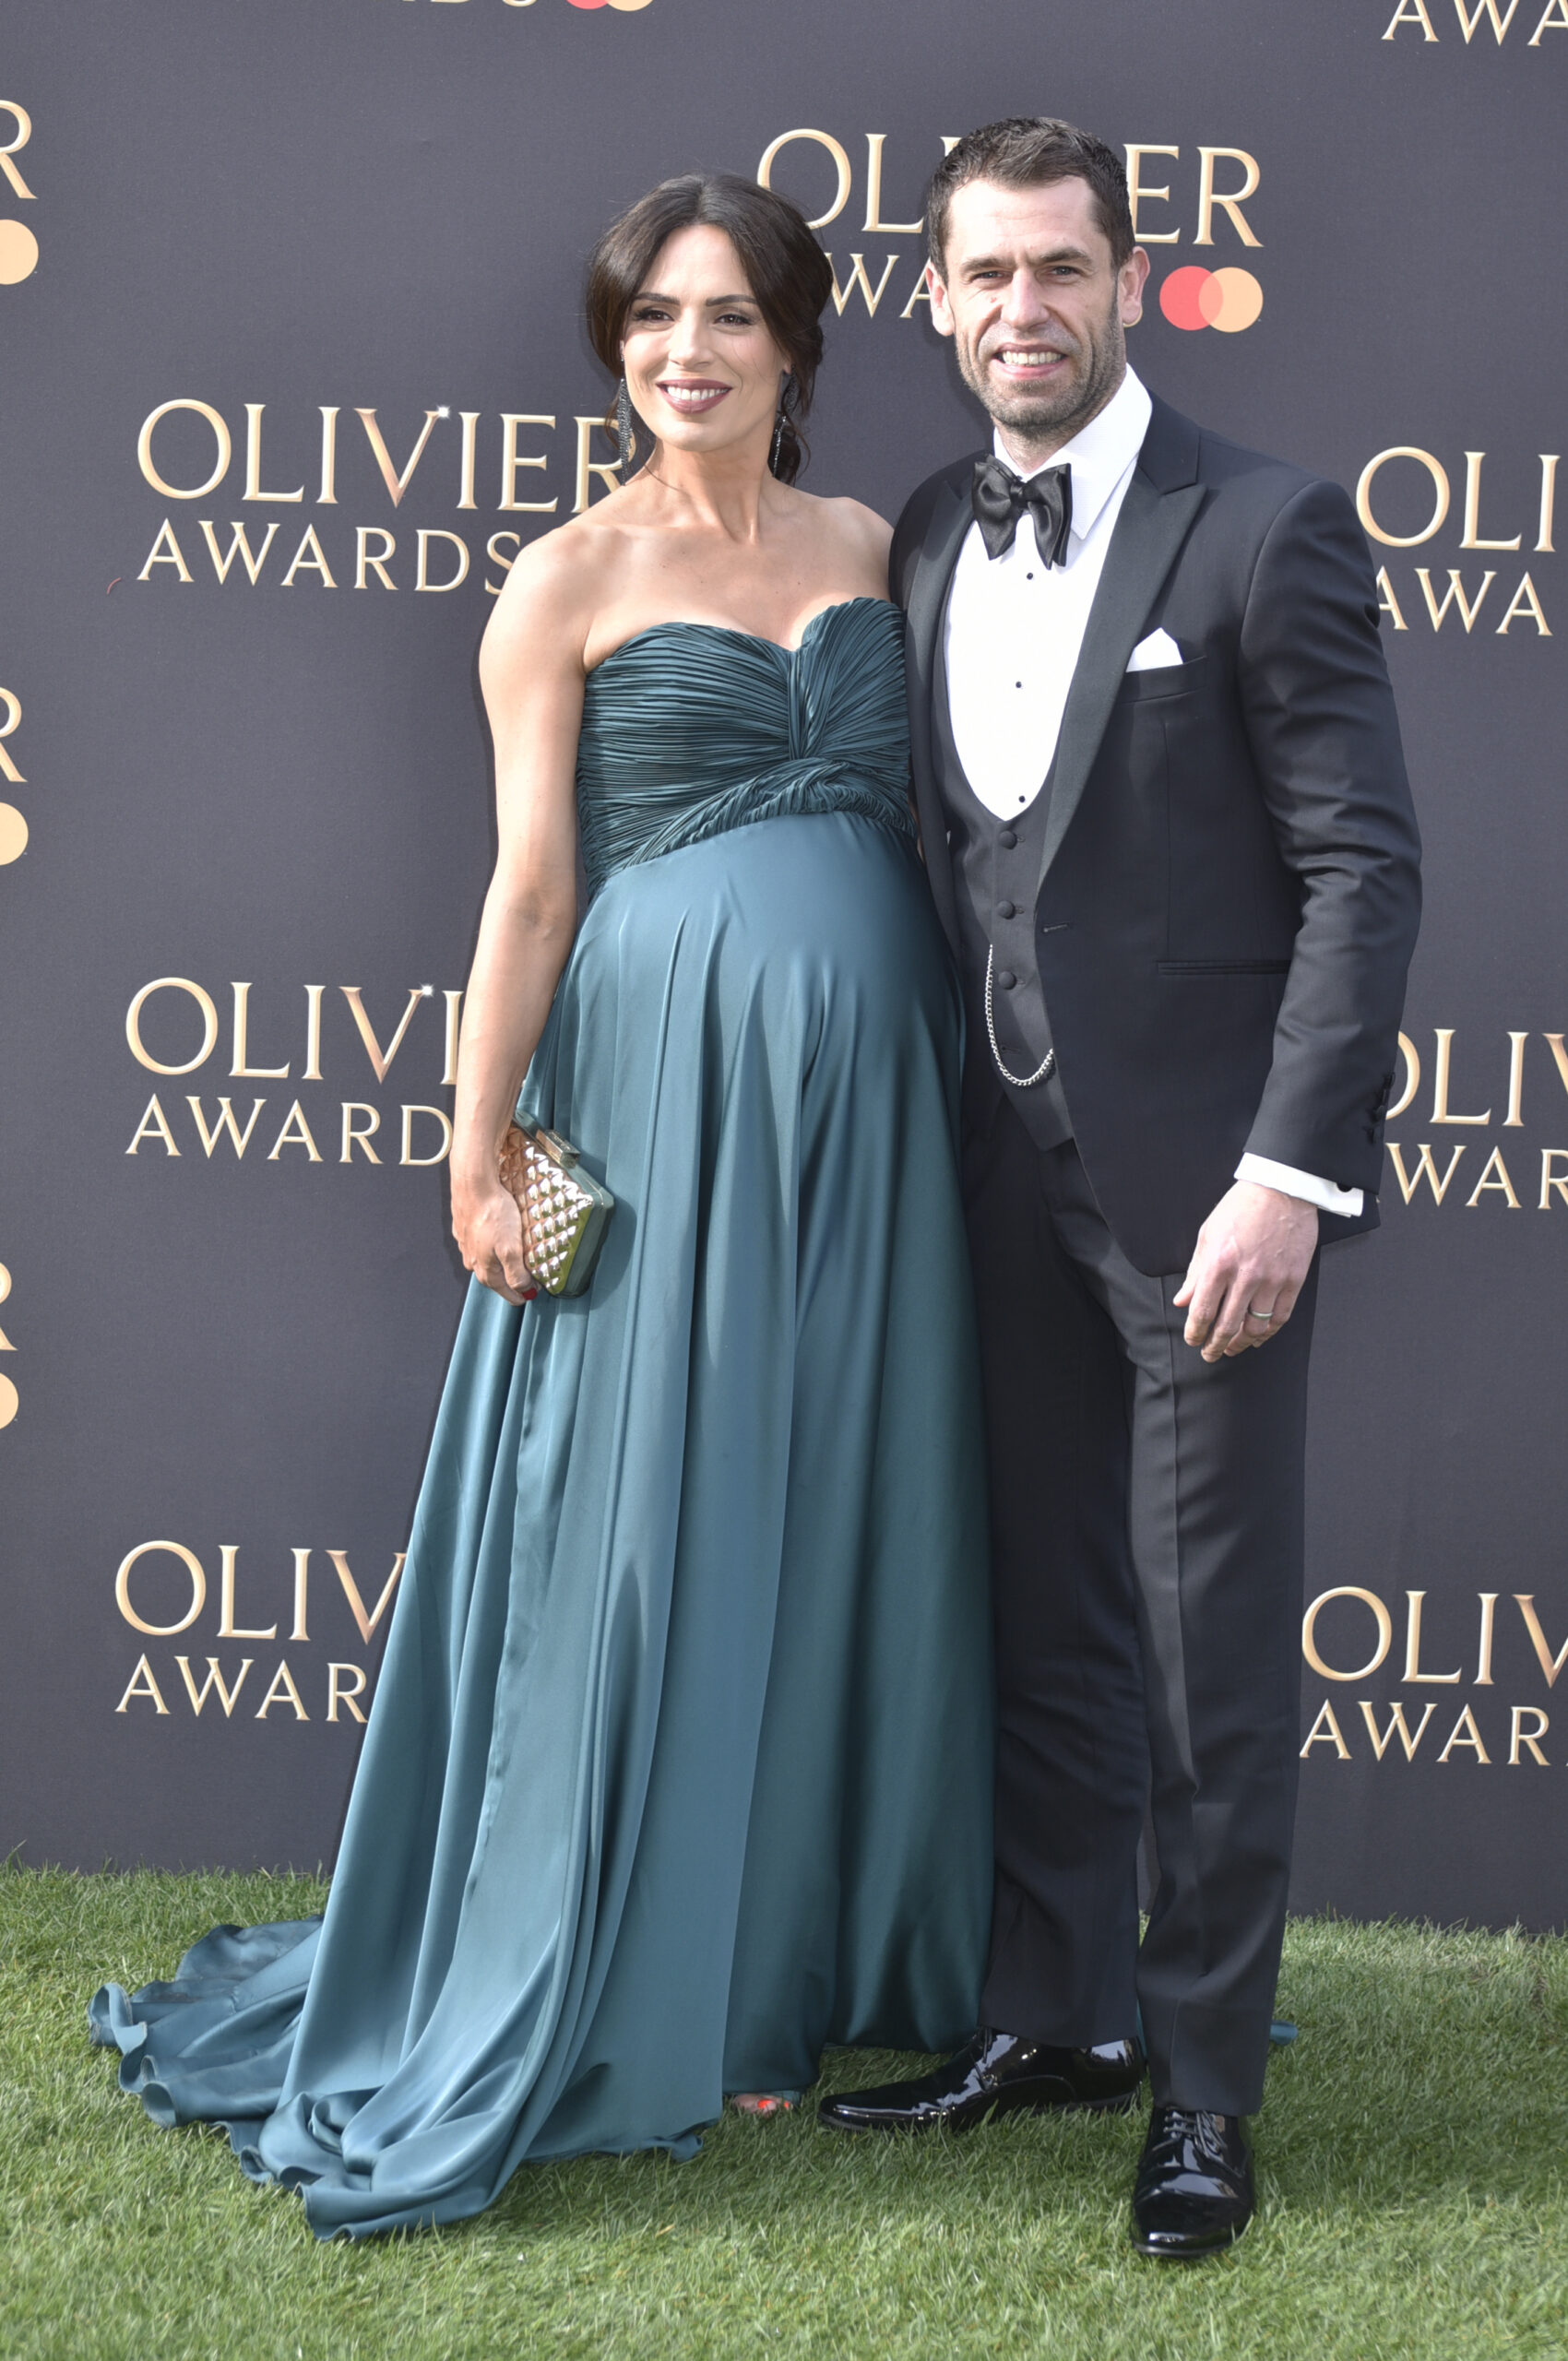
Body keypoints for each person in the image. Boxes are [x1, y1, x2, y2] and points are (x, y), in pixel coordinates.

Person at [89, 172, 994, 2239]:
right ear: (615, 346)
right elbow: (527, 889)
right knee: (661, 1505)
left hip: (879, 1095)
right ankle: (647, 1965)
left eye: (730, 314)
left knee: (848, 1496)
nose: (689, 350)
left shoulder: (877, 544)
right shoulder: (563, 578)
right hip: (664, 1093)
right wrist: (473, 1143)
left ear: (797, 340)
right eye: (653, 316)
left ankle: (805, 1959)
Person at [817, 118, 1421, 2261]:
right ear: (934, 297)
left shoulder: (1263, 526)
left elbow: (1362, 871)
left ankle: (1203, 2091)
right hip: (989, 1179)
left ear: (1130, 276)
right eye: (983, 274)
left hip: (1204, 1198)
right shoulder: (919, 528)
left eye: (1058, 268)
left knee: (1206, 1656)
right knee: (1047, 1621)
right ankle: (1049, 2013)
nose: (1021, 309)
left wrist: (1285, 1176)